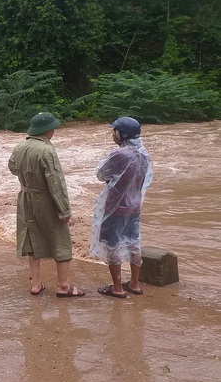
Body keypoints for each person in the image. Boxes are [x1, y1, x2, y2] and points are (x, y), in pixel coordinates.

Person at [9, 112, 85, 298]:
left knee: (32, 239)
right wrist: (64, 210)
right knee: (60, 239)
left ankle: (36, 284)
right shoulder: (47, 151)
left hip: (25, 197)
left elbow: (12, 168)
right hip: (45, 199)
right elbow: (56, 182)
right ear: (48, 130)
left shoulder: (20, 147)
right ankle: (63, 286)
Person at [91, 117, 153, 298]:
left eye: (114, 131)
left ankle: (117, 288)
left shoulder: (120, 154)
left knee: (112, 244)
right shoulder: (143, 154)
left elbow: (101, 174)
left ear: (122, 134)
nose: (112, 135)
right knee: (134, 242)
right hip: (134, 205)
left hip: (116, 206)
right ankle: (134, 284)